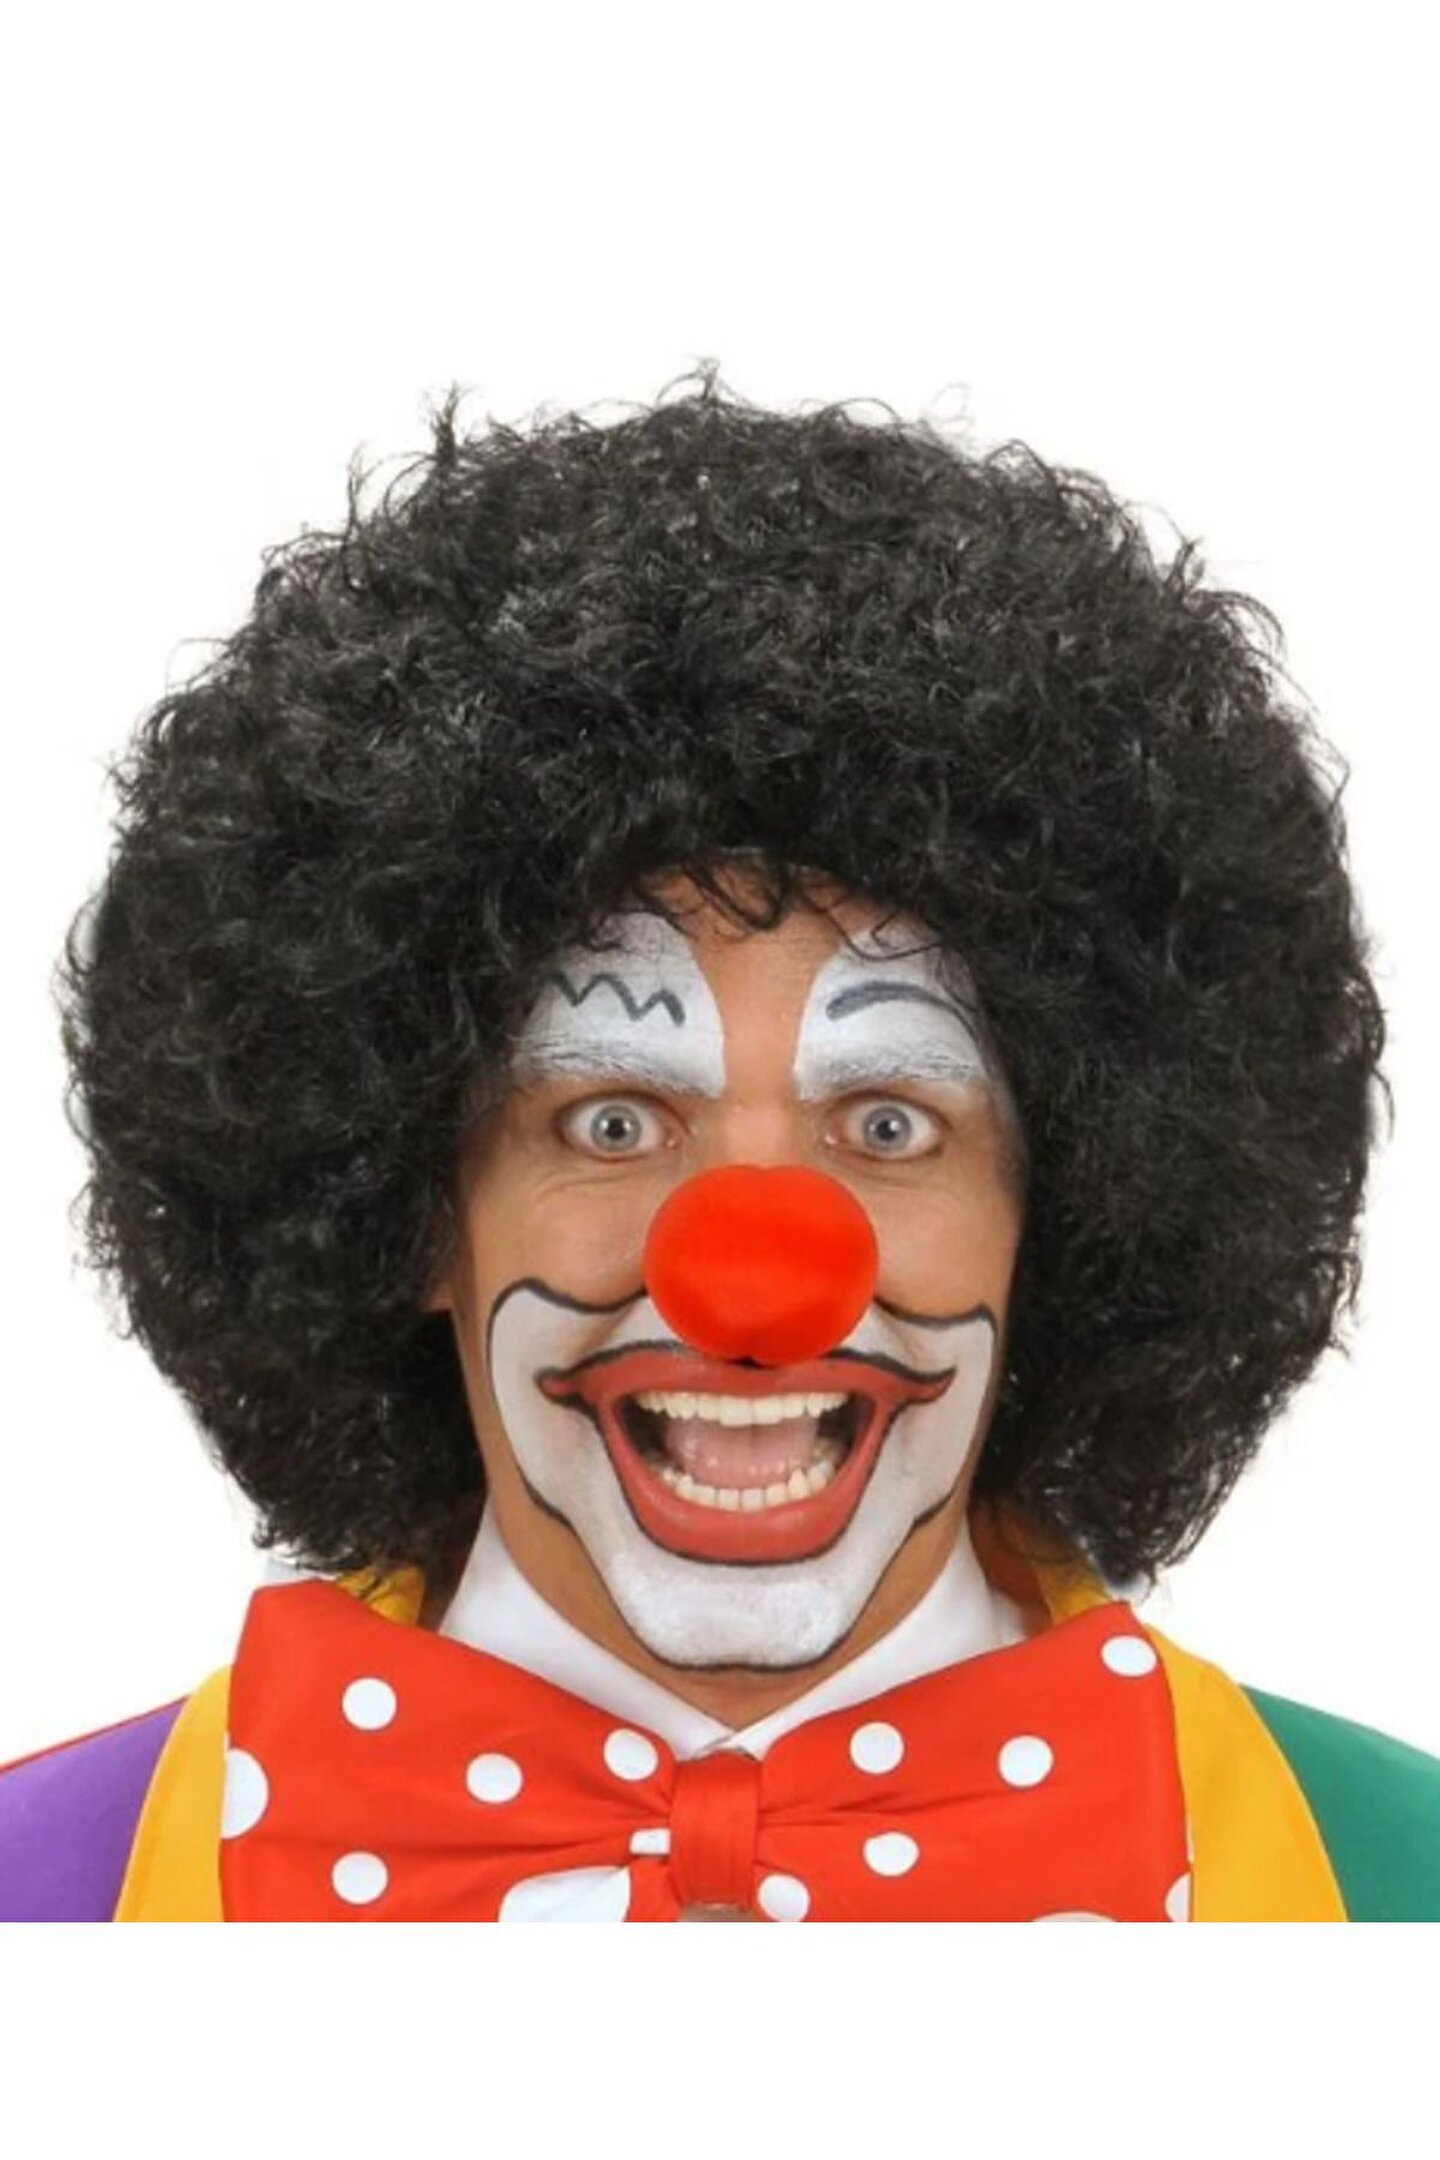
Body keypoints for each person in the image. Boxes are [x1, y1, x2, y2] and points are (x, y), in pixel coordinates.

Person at [3, 366, 1436, 1921]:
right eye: (612, 1121)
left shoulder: (1395, 1878)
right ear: (413, 1211)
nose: (754, 1276)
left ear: (1068, 1213)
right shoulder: (40, 1886)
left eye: (889, 1123)